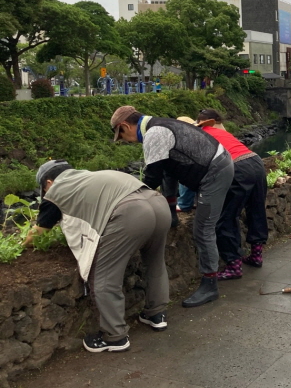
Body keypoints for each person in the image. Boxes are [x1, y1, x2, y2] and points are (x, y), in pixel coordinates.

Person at [24, 160, 171, 353]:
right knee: (155, 263)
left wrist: (22, 246)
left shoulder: (57, 190)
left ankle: (115, 337)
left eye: (44, 189)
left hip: (131, 214)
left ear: (49, 183)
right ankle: (156, 314)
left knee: (103, 277)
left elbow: (39, 231)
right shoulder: (91, 176)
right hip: (158, 204)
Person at [110, 105, 235, 308]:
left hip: (215, 171)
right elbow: (167, 170)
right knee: (168, 168)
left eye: (121, 135)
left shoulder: (154, 133)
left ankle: (210, 285)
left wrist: (128, 201)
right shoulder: (159, 125)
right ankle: (172, 215)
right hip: (212, 164)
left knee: (203, 229)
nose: (124, 140)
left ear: (125, 125)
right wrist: (169, 212)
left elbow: (152, 178)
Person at [179, 110, 268, 279]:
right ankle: (256, 255)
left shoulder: (192, 140)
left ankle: (233, 264)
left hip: (236, 168)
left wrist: (184, 204)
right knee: (256, 209)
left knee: (225, 216)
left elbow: (189, 177)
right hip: (255, 161)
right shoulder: (218, 131)